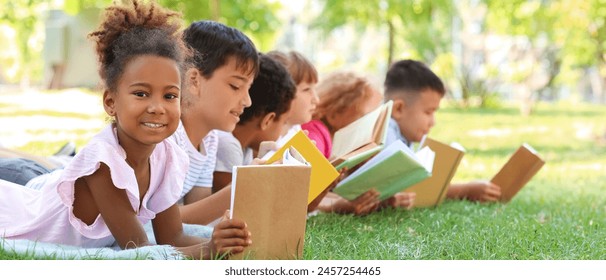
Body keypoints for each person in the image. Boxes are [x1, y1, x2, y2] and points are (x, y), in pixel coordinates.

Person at [0, 0, 251, 259]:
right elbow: (139, 252)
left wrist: (223, 239)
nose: (157, 107)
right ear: (111, 102)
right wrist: (209, 250)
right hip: (17, 208)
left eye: (170, 96)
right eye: (141, 93)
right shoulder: (104, 165)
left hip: (43, 181)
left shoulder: (167, 157)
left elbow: (172, 238)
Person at [383, 59, 502, 202]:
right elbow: (407, 188)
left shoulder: (402, 134)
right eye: (428, 112)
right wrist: (466, 190)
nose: (433, 122)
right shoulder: (386, 132)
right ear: (398, 109)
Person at [301, 71, 416, 215]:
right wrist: (339, 204)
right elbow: (304, 196)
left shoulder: (340, 142)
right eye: (366, 117)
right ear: (334, 114)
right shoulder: (316, 135)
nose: (372, 125)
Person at [212, 53, 296, 193]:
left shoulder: (246, 149)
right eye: (284, 123)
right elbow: (237, 205)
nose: (283, 131)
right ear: (267, 120)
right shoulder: (228, 144)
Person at [266, 50, 319, 145]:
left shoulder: (295, 129)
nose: (316, 100)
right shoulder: (263, 141)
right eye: (306, 89)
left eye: (315, 89)